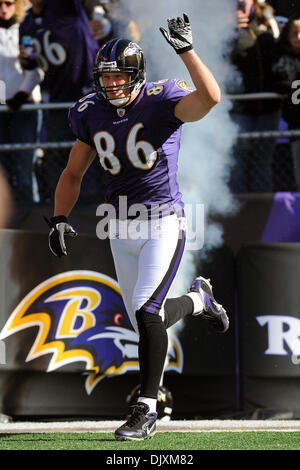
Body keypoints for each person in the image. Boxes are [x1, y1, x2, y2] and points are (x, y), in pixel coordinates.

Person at [46, 14, 229, 441]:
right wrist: (58, 217)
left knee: (147, 315)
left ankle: (145, 409)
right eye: (105, 77)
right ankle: (200, 300)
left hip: (163, 221)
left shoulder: (162, 99)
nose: (111, 85)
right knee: (147, 320)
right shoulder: (90, 113)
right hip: (120, 226)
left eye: (119, 76)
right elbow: (73, 173)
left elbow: (211, 98)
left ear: (137, 75)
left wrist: (185, 50)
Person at [19, 0, 101, 204]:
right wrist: (25, 58)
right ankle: (62, 203)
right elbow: (29, 60)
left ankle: (96, 199)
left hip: (89, 93)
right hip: (58, 99)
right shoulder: (27, 24)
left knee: (95, 148)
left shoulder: (64, 6)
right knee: (58, 152)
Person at [229, 0, 282, 193]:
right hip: (239, 108)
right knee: (238, 161)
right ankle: (238, 211)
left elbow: (282, 57)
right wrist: (229, 30)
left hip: (268, 107)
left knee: (262, 163)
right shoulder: (222, 26)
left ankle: (262, 211)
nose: (242, 3)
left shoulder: (270, 23)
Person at [0, 0, 43, 204]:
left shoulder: (26, 31)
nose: (3, 8)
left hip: (25, 106)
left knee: (25, 166)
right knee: (4, 171)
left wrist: (20, 96)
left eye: (8, 3)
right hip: (1, 109)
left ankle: (29, 215)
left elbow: (35, 70)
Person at [272, 16, 300, 189]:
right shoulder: (280, 61)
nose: (298, 38)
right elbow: (277, 82)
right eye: (294, 33)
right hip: (296, 127)